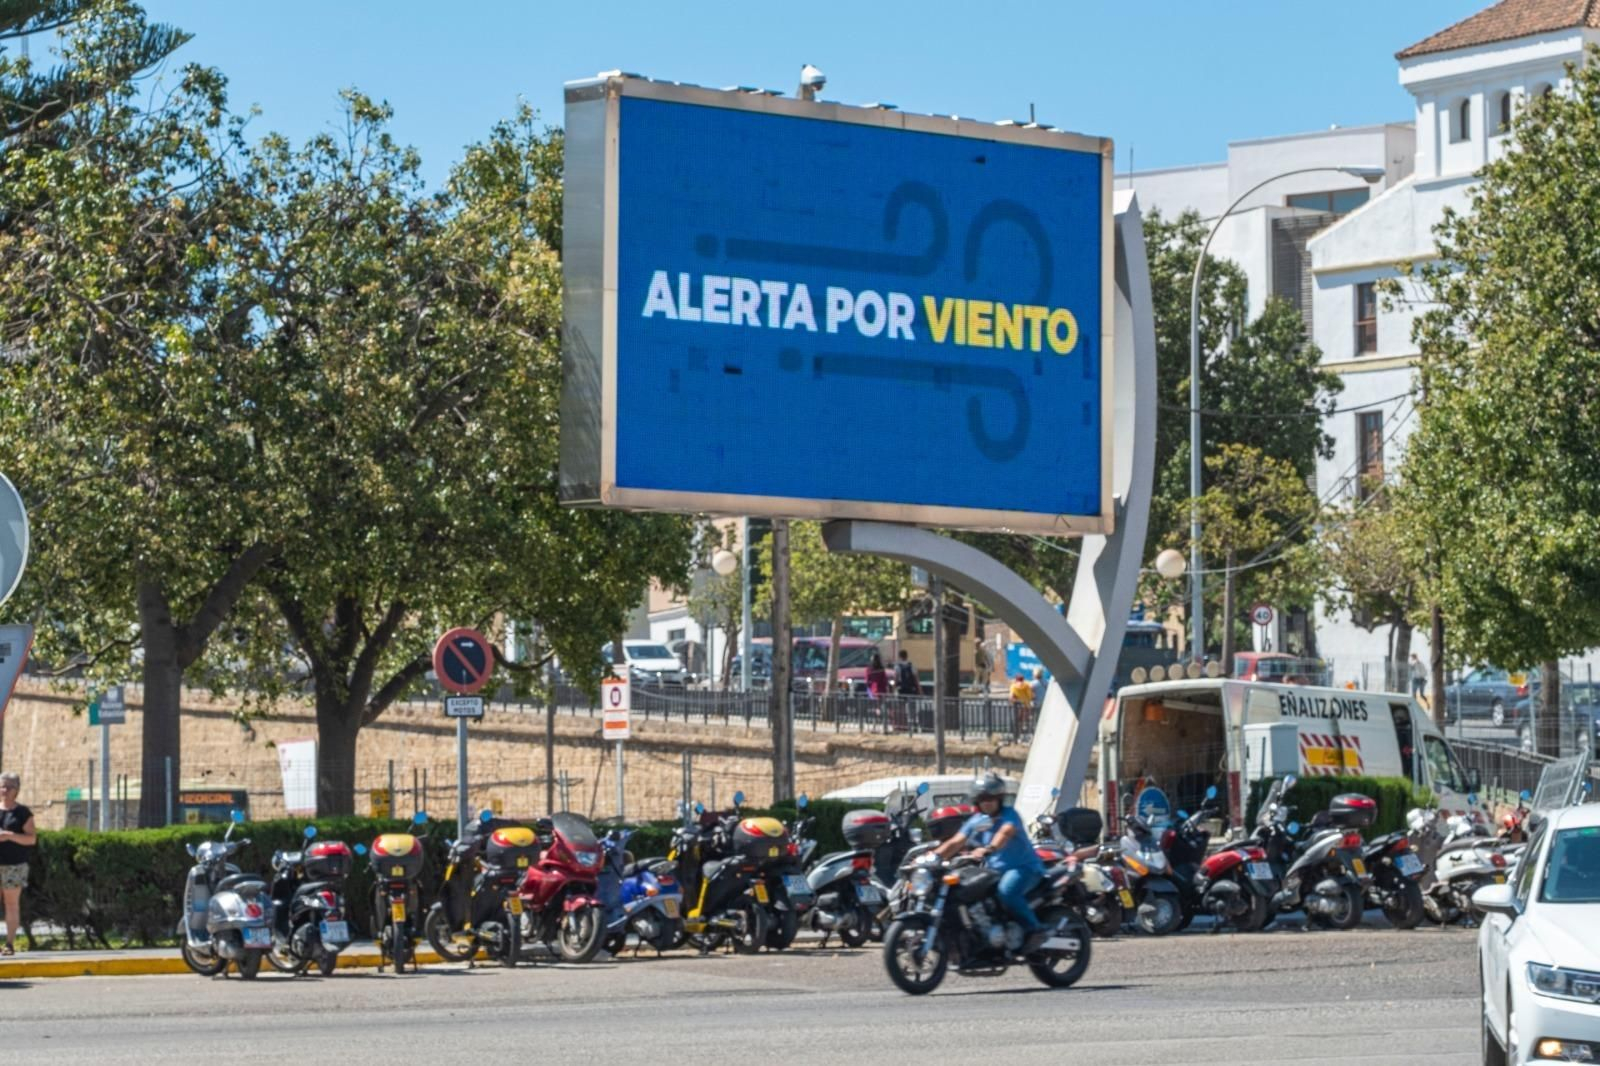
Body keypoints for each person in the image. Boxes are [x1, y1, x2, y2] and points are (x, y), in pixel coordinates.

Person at [932, 772, 1048, 953]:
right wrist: (932, 857)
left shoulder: (1010, 815)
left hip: (1024, 868)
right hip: (995, 872)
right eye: (982, 798)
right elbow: (956, 842)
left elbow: (1005, 833)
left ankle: (1035, 930)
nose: (987, 802)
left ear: (999, 798)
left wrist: (989, 849)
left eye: (991, 798)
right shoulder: (976, 820)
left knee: (1007, 892)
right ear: (976, 800)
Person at [0, 771, 36, 956]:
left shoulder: (22, 813)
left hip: (14, 864)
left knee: (11, 904)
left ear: (17, 790)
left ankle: (9, 944)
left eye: (9, 787)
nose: (4, 790)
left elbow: (31, 839)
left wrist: (9, 836)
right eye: (2, 786)